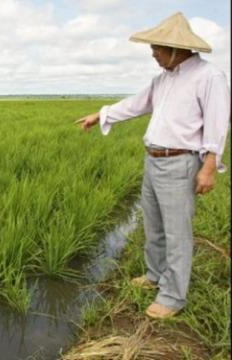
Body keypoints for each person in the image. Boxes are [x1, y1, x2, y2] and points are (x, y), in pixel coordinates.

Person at [76, 12, 230, 319]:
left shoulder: (208, 76)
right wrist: (101, 114)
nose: (153, 53)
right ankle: (154, 275)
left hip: (180, 163)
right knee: (154, 225)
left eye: (157, 48)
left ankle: (173, 297)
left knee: (176, 232)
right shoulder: (161, 80)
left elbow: (218, 122)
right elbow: (137, 104)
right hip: (153, 160)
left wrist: (209, 167)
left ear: (176, 47)